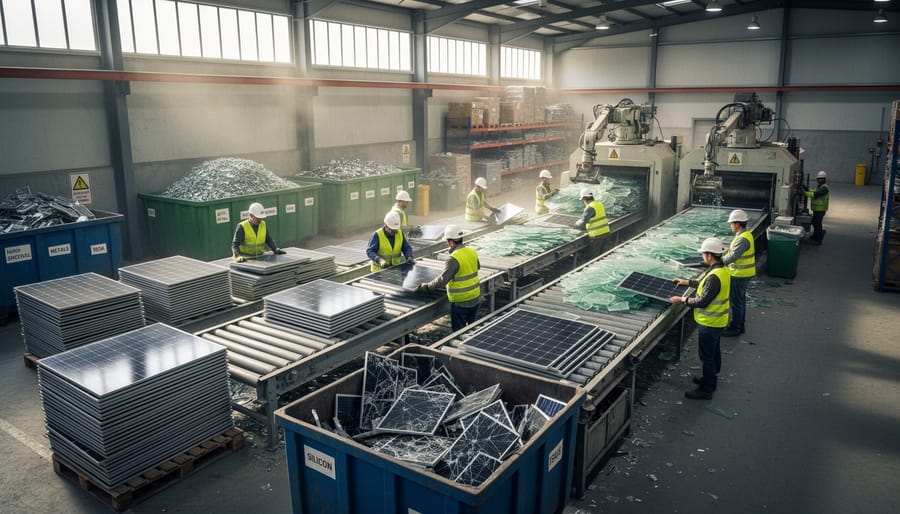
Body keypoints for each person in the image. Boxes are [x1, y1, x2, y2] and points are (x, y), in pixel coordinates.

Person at [669, 237, 731, 400]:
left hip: (710, 323)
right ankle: (711, 379)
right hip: (719, 321)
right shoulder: (722, 270)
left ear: (710, 256)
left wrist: (682, 300)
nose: (703, 256)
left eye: (704, 253)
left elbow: (703, 300)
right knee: (714, 352)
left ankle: (706, 389)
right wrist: (686, 282)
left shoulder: (714, 276)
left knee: (707, 356)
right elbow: (707, 287)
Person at [416, 225, 481, 331]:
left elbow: (443, 280)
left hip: (461, 301)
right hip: (475, 297)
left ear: (451, 242)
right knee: (471, 329)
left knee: (460, 332)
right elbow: (477, 267)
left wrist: (427, 287)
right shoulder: (472, 251)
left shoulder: (453, 259)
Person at [721, 209, 755, 337]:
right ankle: (740, 325)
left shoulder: (742, 239)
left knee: (736, 302)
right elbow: (731, 252)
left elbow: (733, 256)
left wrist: (718, 263)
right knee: (740, 300)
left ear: (737, 224)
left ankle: (736, 327)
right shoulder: (743, 235)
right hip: (741, 274)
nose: (730, 226)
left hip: (739, 275)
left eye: (731, 223)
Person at [574, 188, 610, 256]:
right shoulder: (599, 204)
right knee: (602, 255)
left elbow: (583, 222)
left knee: (594, 256)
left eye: (582, 200)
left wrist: (574, 226)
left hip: (597, 236)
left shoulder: (590, 207)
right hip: (606, 233)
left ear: (585, 198)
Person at [803, 170, 830, 245]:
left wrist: (804, 193)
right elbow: (813, 191)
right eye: (819, 179)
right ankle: (815, 236)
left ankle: (818, 239)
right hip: (817, 209)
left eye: (822, 179)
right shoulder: (820, 187)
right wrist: (806, 188)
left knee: (817, 224)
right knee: (815, 223)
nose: (820, 180)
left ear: (824, 179)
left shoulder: (824, 188)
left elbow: (815, 194)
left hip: (820, 210)